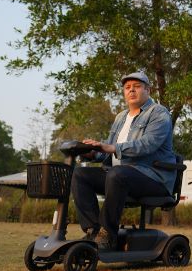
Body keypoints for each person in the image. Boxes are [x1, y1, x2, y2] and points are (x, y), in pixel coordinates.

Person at [73, 71, 176, 249]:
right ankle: (93, 231)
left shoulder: (159, 113)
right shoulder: (120, 117)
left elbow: (148, 144)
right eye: (127, 88)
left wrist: (112, 148)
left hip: (153, 177)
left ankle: (107, 234)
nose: (131, 91)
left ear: (148, 90)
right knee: (80, 174)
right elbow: (109, 151)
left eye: (136, 86)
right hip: (120, 175)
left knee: (117, 174)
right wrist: (93, 153)